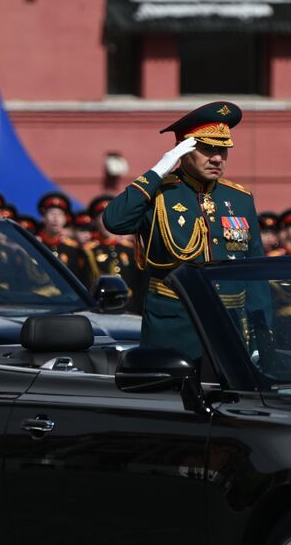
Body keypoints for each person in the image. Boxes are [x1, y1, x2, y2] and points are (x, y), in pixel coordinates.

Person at [103, 101, 264, 361]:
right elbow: (114, 221)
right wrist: (158, 171)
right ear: (182, 151)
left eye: (223, 150)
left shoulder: (240, 198)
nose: (216, 158)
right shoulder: (159, 193)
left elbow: (256, 272)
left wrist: (262, 336)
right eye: (206, 148)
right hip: (175, 326)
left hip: (230, 326)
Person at [36, 191, 85, 271]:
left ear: (65, 219)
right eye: (51, 213)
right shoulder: (35, 243)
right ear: (44, 218)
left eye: (59, 214)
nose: (55, 218)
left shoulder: (73, 248)